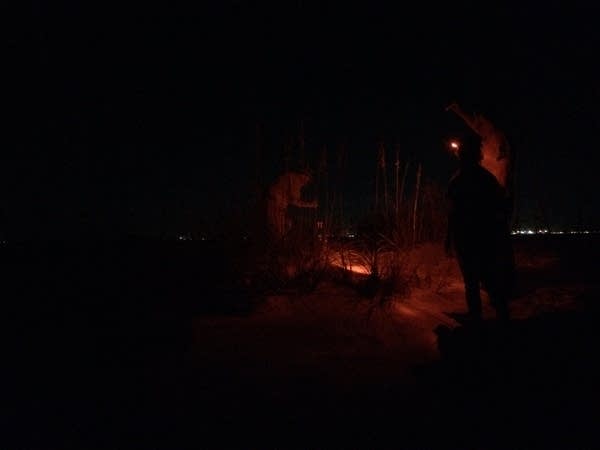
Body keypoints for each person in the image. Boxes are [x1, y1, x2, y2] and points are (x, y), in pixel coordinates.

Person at [445, 133, 514, 324]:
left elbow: (452, 213)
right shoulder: (486, 180)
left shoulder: (458, 181)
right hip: (483, 239)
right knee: (487, 280)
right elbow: (501, 207)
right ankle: (500, 316)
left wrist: (449, 238)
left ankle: (483, 318)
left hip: (470, 239)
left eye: (462, 153)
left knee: (474, 282)